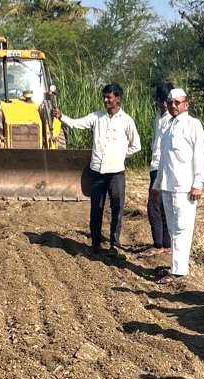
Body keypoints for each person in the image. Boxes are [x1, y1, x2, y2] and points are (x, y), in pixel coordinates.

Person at [53, 83, 141, 254]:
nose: (106, 100)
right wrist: (61, 116)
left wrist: (120, 155)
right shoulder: (96, 117)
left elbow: (136, 145)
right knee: (96, 208)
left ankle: (114, 244)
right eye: (105, 97)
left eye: (109, 97)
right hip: (97, 171)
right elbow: (76, 124)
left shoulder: (126, 121)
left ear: (118, 99)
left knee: (117, 208)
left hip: (116, 172)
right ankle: (95, 243)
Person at [150, 88, 204, 284]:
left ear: (186, 104)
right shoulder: (167, 126)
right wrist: (158, 184)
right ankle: (175, 266)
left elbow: (200, 155)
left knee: (182, 228)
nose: (173, 105)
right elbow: (164, 159)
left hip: (185, 186)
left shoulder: (193, 125)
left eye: (177, 102)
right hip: (168, 184)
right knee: (174, 229)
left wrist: (198, 183)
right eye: (170, 102)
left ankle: (178, 270)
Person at [143, 82, 174, 257]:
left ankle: (159, 244)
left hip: (163, 166)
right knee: (160, 205)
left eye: (166, 100)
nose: (164, 104)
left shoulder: (172, 119)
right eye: (161, 100)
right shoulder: (158, 116)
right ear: (157, 100)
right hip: (155, 165)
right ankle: (164, 243)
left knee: (154, 205)